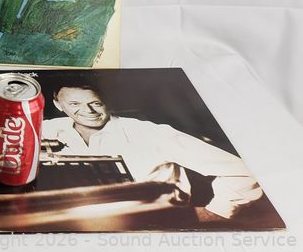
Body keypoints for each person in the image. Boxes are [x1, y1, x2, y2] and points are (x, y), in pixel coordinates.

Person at [42, 83, 264, 221]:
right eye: (75, 104)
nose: (87, 111)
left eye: (95, 103)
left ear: (106, 102)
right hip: (78, 220)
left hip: (155, 224)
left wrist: (217, 211)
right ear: (59, 104)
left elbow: (244, 171)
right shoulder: (46, 129)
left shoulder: (153, 134)